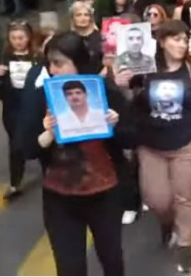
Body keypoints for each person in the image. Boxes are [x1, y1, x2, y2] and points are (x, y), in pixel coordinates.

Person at [27, 32, 132, 276]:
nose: (52, 70)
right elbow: (26, 148)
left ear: (78, 62)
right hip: (60, 197)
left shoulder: (104, 93)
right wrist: (47, 134)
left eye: (59, 63)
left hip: (105, 193)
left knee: (112, 260)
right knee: (70, 268)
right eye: (49, 63)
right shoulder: (40, 96)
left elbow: (132, 138)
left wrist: (116, 127)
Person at [126, 20, 191, 273]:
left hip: (188, 143)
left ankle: (184, 244)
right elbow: (127, 102)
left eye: (185, 39)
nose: (182, 44)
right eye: (176, 39)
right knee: (157, 199)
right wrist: (121, 81)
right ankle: (166, 222)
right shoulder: (145, 70)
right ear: (162, 41)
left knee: (184, 197)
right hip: (151, 145)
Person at [0, 20, 38, 200]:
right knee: (15, 143)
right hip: (12, 106)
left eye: (21, 37)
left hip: (33, 104)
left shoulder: (36, 56)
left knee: (41, 140)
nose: (18, 41)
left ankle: (50, 174)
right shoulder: (3, 56)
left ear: (28, 37)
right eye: (14, 38)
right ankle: (15, 183)